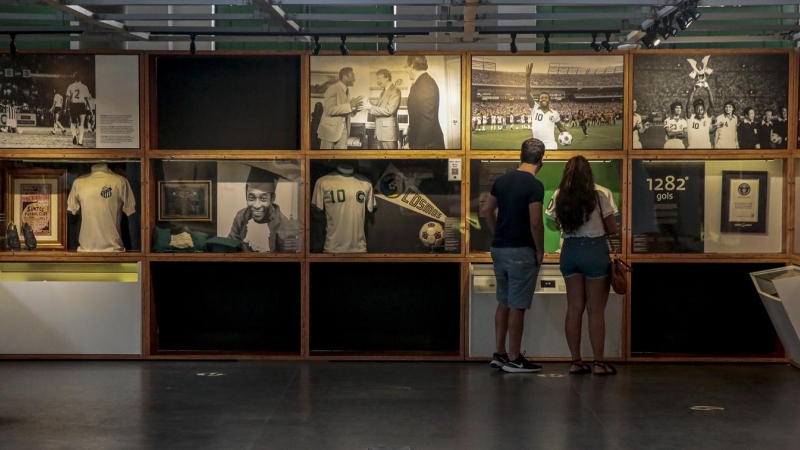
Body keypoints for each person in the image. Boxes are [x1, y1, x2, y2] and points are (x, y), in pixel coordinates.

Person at [481, 138, 546, 373]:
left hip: (499, 248)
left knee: (504, 300)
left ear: (520, 155)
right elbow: (536, 221)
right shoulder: (534, 185)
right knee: (518, 305)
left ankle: (499, 353)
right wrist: (540, 249)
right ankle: (515, 358)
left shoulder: (502, 180)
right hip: (521, 249)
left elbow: (487, 210)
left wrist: (496, 232)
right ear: (542, 159)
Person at [550, 155, 619, 376]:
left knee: (574, 308)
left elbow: (553, 222)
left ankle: (576, 361)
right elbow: (613, 228)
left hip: (569, 251)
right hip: (594, 251)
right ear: (589, 173)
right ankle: (599, 363)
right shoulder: (599, 195)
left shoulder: (560, 195)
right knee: (596, 311)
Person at [228, 166, 288, 253]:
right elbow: (230, 246)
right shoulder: (241, 217)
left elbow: (289, 259)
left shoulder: (284, 224)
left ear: (272, 198)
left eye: (263, 199)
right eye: (251, 198)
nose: (256, 205)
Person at [405, 55, 445, 149]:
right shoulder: (422, 82)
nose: (405, 70)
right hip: (424, 143)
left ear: (412, 66)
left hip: (427, 145)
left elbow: (427, 119)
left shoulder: (425, 83)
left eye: (406, 66)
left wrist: (417, 148)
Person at [317, 67, 363, 149]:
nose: (354, 79)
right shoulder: (332, 88)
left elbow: (342, 110)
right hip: (329, 131)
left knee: (341, 158)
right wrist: (350, 105)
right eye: (352, 76)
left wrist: (353, 111)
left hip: (343, 130)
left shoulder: (347, 91)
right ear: (345, 77)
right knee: (325, 159)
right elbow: (329, 110)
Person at [525, 64, 569, 150]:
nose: (543, 99)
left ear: (549, 100)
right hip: (536, 145)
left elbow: (560, 126)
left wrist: (567, 134)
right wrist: (527, 77)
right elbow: (528, 92)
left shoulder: (554, 113)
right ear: (539, 100)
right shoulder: (534, 107)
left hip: (551, 145)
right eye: (541, 98)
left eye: (546, 97)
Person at [369, 68, 401, 149]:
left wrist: (370, 107)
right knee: (381, 160)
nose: (377, 81)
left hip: (388, 133)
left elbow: (388, 110)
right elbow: (381, 108)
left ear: (387, 78)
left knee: (391, 158)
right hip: (380, 132)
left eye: (379, 78)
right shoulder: (383, 91)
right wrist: (369, 103)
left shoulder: (395, 90)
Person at [65, 71, 92, 147]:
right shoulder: (84, 87)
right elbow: (87, 99)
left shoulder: (70, 86)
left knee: (73, 123)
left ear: (74, 78)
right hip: (81, 105)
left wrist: (66, 107)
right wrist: (90, 109)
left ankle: (74, 135)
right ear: (81, 78)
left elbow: (67, 99)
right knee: (81, 124)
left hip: (73, 105)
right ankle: (80, 142)